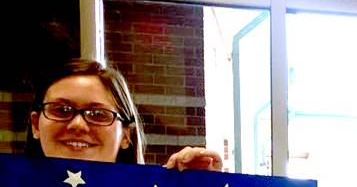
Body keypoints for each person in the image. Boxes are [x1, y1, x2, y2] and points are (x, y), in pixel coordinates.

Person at [27, 58, 222, 171]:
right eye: (61, 110)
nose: (78, 124)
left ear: (126, 135)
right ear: (36, 125)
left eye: (97, 114)